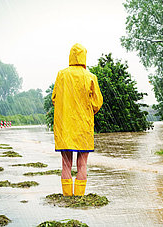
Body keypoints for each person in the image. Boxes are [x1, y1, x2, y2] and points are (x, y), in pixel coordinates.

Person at [51, 43, 103, 196]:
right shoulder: (90, 77)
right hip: (84, 127)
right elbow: (97, 102)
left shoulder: (61, 75)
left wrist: (65, 107)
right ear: (84, 57)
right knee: (82, 164)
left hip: (65, 126)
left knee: (66, 164)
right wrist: (87, 110)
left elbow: (54, 99)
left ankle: (67, 197)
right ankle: (79, 197)